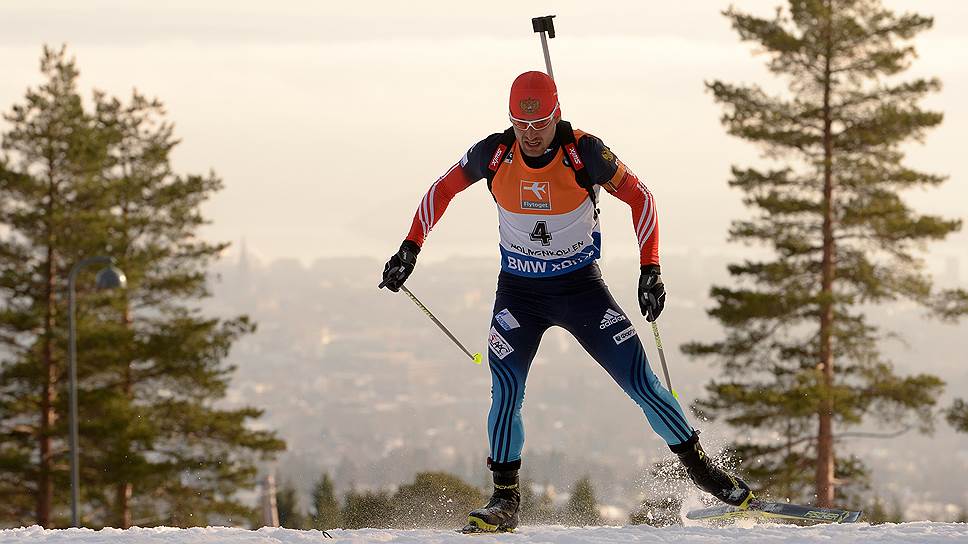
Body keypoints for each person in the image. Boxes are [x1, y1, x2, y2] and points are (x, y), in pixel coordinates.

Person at [380, 71, 752, 533]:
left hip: (581, 291)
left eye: (540, 124)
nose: (530, 134)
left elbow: (642, 199)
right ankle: (505, 499)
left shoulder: (585, 152)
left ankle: (704, 471)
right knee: (506, 388)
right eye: (521, 124)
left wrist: (650, 268)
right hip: (519, 294)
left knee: (640, 380)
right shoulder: (493, 154)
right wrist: (410, 248)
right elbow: (442, 190)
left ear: (556, 114)